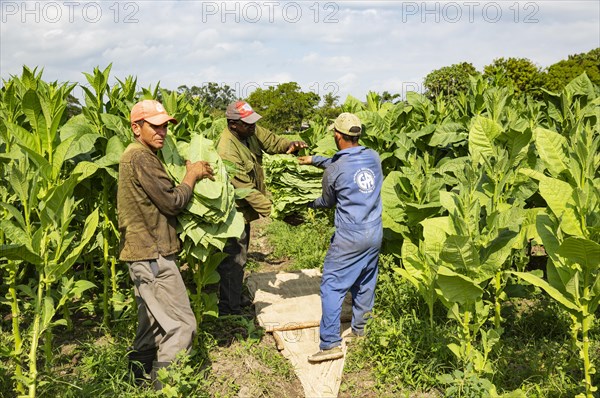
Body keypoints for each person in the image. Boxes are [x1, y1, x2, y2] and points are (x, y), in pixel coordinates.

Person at [118, 99, 214, 387]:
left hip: (142, 253)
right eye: (155, 126)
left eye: (165, 126)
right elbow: (172, 203)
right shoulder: (141, 158)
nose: (162, 132)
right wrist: (192, 175)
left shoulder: (138, 155)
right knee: (182, 325)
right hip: (153, 254)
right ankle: (167, 389)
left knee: (151, 323)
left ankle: (137, 383)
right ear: (136, 127)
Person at [298, 112, 383, 363]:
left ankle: (330, 343)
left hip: (349, 236)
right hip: (374, 231)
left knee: (332, 285)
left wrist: (305, 203)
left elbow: (327, 201)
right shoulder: (373, 157)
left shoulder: (334, 170)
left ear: (337, 135)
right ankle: (361, 330)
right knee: (365, 282)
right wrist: (315, 160)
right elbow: (344, 164)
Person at [216, 100, 307, 315]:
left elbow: (273, 142)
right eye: (247, 124)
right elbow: (247, 191)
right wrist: (279, 213)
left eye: (253, 122)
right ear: (233, 124)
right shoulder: (227, 151)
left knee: (241, 252)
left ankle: (235, 296)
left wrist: (290, 145)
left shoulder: (250, 131)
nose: (252, 126)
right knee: (234, 257)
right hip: (233, 211)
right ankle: (229, 309)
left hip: (244, 209)